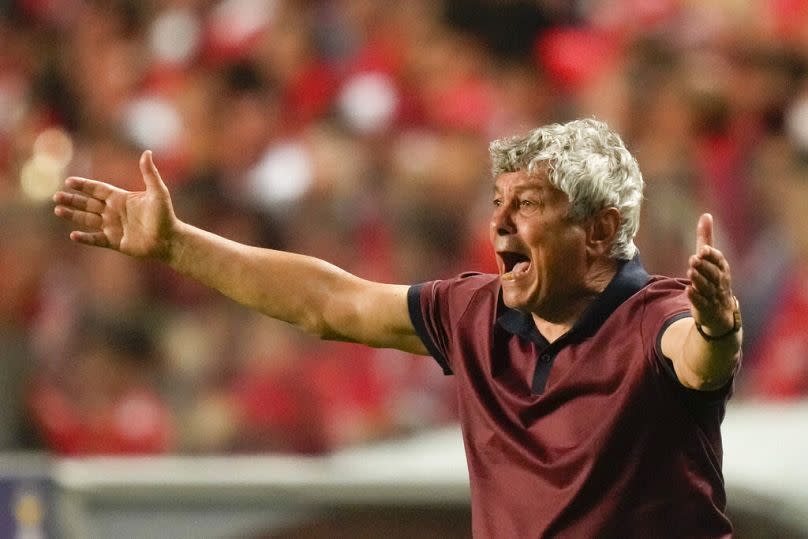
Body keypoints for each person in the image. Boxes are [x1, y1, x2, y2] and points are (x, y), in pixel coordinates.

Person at [53, 118, 742, 538]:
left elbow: (698, 358)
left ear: (598, 231)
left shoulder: (660, 317)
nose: (498, 223)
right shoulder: (474, 315)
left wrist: (717, 327)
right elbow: (332, 303)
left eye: (526, 205)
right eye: (496, 202)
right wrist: (179, 247)